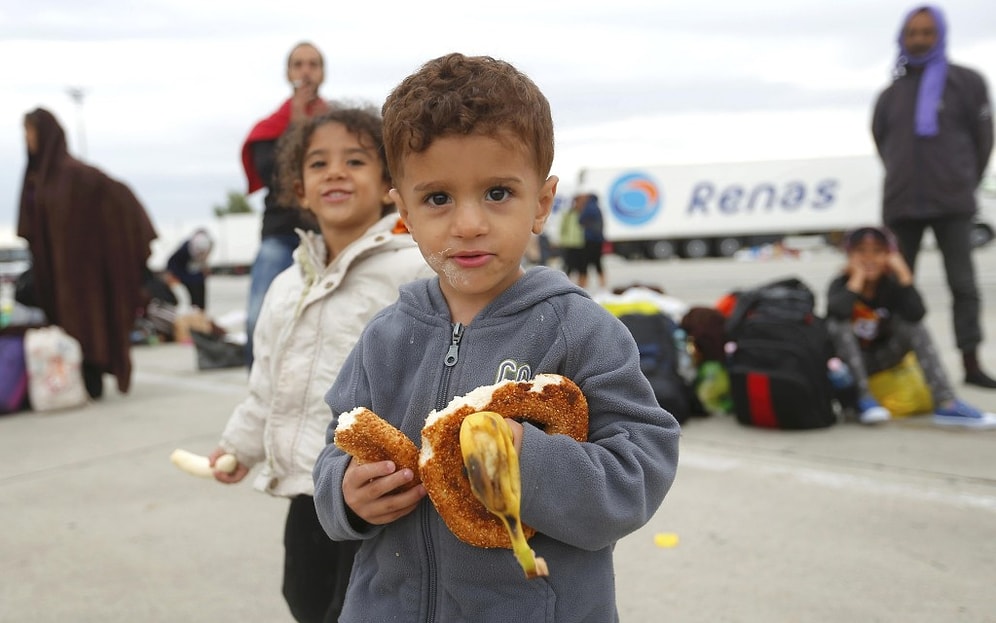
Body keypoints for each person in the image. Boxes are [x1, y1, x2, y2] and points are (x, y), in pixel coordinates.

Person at [312, 52, 681, 622]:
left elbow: (638, 473)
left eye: (498, 193)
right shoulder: (385, 337)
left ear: (541, 202)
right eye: (438, 198)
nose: (468, 224)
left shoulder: (581, 332)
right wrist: (346, 497)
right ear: (403, 210)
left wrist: (526, 463)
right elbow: (334, 447)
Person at [209, 106, 432, 623]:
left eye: (355, 160)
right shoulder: (287, 285)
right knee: (304, 598)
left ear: (387, 186)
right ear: (299, 191)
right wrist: (240, 445)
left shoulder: (414, 269)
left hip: (382, 490)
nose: (335, 171)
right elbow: (267, 381)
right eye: (318, 164)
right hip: (308, 489)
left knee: (365, 608)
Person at [871, 5, 996, 388]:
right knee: (893, 287)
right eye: (913, 32)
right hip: (902, 202)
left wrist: (961, 180)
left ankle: (971, 363)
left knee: (963, 285)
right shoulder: (890, 95)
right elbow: (882, 142)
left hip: (952, 202)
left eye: (927, 32)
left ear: (939, 35)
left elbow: (983, 141)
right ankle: (890, 359)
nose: (920, 39)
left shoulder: (968, 82)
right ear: (903, 37)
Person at [17, 107, 157, 399]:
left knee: (88, 323)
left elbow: (119, 197)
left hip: (83, 274)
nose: (28, 139)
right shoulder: (37, 178)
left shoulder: (77, 176)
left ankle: (92, 375)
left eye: (31, 132)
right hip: (53, 272)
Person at [825, 226, 996, 428]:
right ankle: (863, 400)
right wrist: (856, 279)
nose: (869, 258)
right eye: (861, 252)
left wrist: (904, 275)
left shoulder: (890, 284)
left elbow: (917, 313)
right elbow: (837, 312)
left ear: (889, 256)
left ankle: (946, 402)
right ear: (849, 255)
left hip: (883, 358)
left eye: (877, 252)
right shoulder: (840, 284)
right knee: (838, 324)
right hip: (849, 366)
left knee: (912, 324)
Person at [240, 41, 329, 367]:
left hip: (328, 234)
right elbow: (274, 175)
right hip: (280, 233)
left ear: (322, 73)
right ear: (288, 73)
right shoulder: (270, 128)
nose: (306, 71)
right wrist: (296, 123)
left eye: (313, 64)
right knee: (257, 316)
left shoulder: (337, 126)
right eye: (299, 64)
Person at [164, 228, 212, 309]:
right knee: (193, 291)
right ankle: (194, 310)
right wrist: (171, 274)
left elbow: (202, 260)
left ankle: (201, 311)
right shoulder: (185, 249)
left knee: (200, 288)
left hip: (195, 272)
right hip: (183, 272)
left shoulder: (208, 244)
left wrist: (205, 267)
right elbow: (172, 262)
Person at [578, 192, 607, 290]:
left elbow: (580, 220)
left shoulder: (588, 207)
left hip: (589, 238)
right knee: (598, 261)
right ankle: (602, 282)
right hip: (598, 239)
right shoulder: (598, 208)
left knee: (584, 261)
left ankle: (583, 283)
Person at [557, 193, 586, 284]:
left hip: (582, 244)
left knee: (582, 267)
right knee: (568, 266)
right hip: (569, 243)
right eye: (578, 202)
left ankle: (581, 287)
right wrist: (562, 240)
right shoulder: (568, 213)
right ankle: (565, 285)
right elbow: (562, 227)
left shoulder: (585, 213)